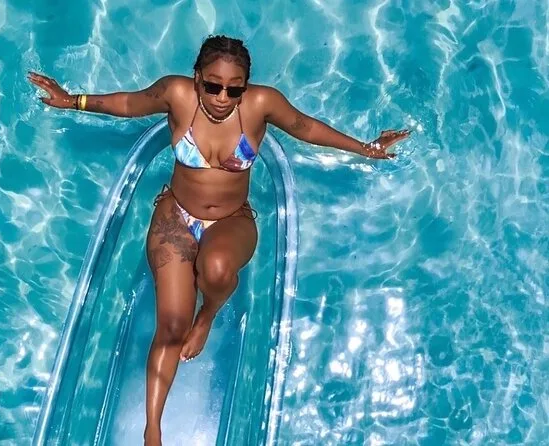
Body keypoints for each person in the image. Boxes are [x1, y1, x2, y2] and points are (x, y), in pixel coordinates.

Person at [28, 34, 409, 446]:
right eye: (212, 86)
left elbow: (306, 127)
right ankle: (152, 430)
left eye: (234, 89)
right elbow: (127, 104)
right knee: (171, 326)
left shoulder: (261, 104)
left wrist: (367, 149)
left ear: (246, 86)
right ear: (197, 78)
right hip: (176, 216)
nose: (223, 98)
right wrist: (73, 101)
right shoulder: (177, 94)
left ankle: (207, 316)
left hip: (231, 219)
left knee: (217, 268)